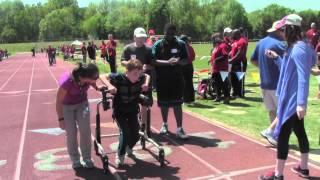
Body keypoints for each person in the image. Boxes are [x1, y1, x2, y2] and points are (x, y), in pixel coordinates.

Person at [259, 14, 316, 180]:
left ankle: (278, 175)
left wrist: (300, 104)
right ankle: (304, 168)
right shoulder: (301, 46)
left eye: (283, 29)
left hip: (292, 100)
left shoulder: (298, 48)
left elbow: (303, 77)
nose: (281, 33)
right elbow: (291, 69)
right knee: (300, 132)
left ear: (290, 29)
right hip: (290, 98)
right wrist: (277, 58)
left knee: (282, 135)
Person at [99, 59, 150, 168]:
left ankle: (128, 148)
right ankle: (120, 155)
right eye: (134, 74)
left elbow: (146, 76)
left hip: (132, 110)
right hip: (120, 111)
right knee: (125, 132)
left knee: (136, 134)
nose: (137, 77)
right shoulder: (118, 77)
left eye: (138, 74)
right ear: (127, 71)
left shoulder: (140, 78)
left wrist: (146, 84)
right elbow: (102, 76)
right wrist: (109, 85)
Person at [56, 63, 100, 169]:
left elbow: (93, 81)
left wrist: (97, 86)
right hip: (67, 107)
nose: (95, 79)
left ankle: (87, 157)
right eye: (93, 78)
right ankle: (75, 159)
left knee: (85, 130)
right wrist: (61, 119)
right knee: (71, 132)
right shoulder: (67, 82)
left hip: (82, 104)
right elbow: (58, 101)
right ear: (82, 77)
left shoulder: (87, 76)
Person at [251, 20, 286, 147]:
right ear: (279, 30)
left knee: (272, 111)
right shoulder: (281, 45)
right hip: (277, 84)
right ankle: (276, 135)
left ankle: (273, 138)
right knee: (282, 113)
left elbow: (253, 60)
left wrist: (264, 68)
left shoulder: (261, 42)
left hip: (264, 83)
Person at [152, 23, 189, 139]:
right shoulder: (158, 44)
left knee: (177, 104)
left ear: (175, 33)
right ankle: (165, 124)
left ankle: (179, 128)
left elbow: (186, 60)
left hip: (177, 79)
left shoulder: (181, 44)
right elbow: (153, 61)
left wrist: (177, 61)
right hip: (162, 79)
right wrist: (168, 62)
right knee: (164, 104)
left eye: (172, 33)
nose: (170, 35)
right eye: (168, 33)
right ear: (164, 32)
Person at [121, 27, 154, 136]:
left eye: (143, 38)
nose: (141, 40)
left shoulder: (149, 49)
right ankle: (133, 125)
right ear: (134, 37)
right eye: (139, 38)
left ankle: (143, 127)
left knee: (144, 104)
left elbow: (152, 64)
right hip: (130, 80)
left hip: (144, 80)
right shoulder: (128, 49)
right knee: (132, 104)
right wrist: (133, 66)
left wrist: (146, 66)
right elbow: (122, 62)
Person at [210, 33, 230, 104]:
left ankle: (226, 98)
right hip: (216, 69)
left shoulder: (223, 46)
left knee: (224, 84)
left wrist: (216, 60)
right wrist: (211, 60)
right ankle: (218, 97)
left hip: (222, 69)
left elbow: (225, 55)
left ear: (219, 38)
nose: (214, 39)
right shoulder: (217, 46)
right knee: (216, 84)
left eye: (215, 38)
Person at [229, 29, 247, 98]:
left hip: (240, 63)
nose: (232, 36)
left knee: (239, 78)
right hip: (234, 62)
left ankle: (239, 94)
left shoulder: (242, 41)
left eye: (233, 34)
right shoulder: (236, 41)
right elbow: (233, 50)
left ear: (236, 34)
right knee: (233, 78)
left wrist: (231, 59)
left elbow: (240, 53)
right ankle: (235, 92)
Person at [180, 35, 196, 105]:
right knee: (190, 83)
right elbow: (193, 57)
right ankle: (191, 100)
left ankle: (186, 100)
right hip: (189, 66)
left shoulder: (180, 48)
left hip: (183, 66)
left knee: (184, 83)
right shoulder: (190, 47)